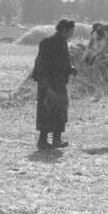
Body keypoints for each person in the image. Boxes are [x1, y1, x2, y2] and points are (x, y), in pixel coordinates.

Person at [31, 19, 77, 151]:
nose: (72, 34)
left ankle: (56, 140)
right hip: (48, 82)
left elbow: (63, 63)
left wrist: (70, 69)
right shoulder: (48, 43)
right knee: (47, 110)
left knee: (60, 110)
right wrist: (46, 82)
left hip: (59, 82)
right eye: (71, 31)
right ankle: (43, 141)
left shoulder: (62, 43)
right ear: (64, 30)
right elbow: (43, 63)